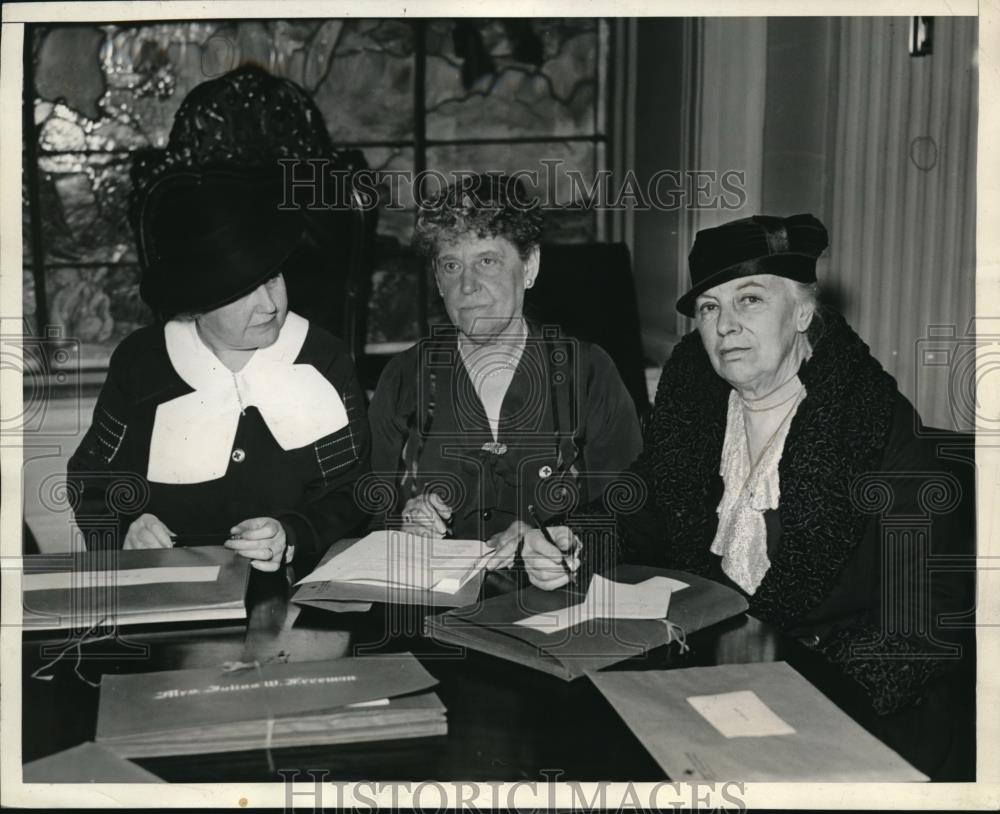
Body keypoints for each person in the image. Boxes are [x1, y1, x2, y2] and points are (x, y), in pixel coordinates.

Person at [521, 213, 973, 777]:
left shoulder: (879, 431)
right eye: (709, 308)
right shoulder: (698, 405)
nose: (725, 325)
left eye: (750, 300)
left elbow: (923, 624)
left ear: (803, 313)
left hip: (856, 704)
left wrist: (806, 699)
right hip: (715, 680)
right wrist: (575, 538)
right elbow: (641, 503)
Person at [67, 169, 370, 570]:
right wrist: (125, 527)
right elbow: (91, 478)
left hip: (296, 586)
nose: (269, 305)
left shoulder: (326, 357)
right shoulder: (140, 364)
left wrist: (292, 534)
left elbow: (354, 489)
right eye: (244, 291)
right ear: (196, 304)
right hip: (173, 590)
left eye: (274, 278)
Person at [367, 174, 642, 576]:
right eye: (450, 265)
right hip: (433, 614)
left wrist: (551, 540)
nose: (467, 285)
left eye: (488, 261)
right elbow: (366, 514)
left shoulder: (589, 374)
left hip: (557, 613)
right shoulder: (404, 378)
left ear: (529, 266)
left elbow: (629, 518)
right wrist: (403, 527)